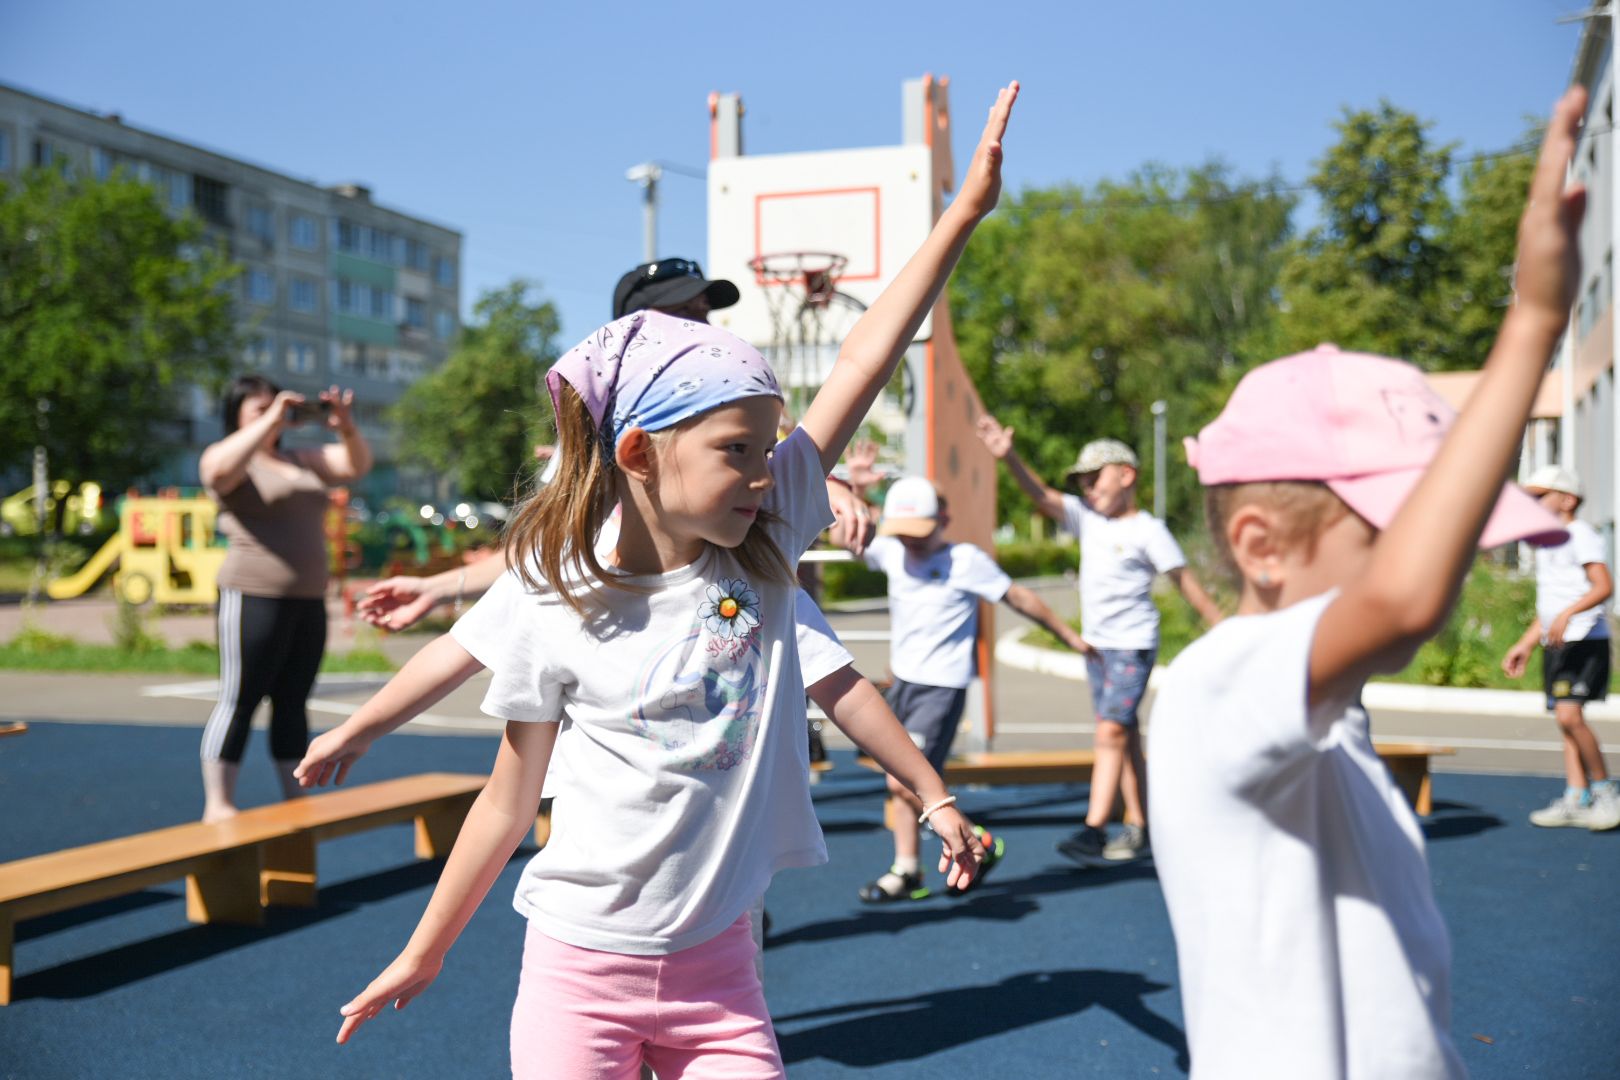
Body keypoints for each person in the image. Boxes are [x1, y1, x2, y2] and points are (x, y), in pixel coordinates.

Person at [321, 82, 1020, 1077]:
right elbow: (506, 804)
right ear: (642, 454)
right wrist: (424, 951)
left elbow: (863, 360)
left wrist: (962, 214)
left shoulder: (762, 535)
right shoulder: (564, 597)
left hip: (721, 981)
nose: (764, 470)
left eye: (770, 449)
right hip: (576, 979)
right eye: (740, 449)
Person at [1147, 88, 1584, 1078]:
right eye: (1397, 529)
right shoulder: (1219, 687)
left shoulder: (1331, 723)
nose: (1450, 556)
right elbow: (1400, 601)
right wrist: (1535, 320)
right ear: (1261, 545)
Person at [976, 418, 1222, 865]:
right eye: (1082, 483)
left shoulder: (1148, 530)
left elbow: (1184, 581)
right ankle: (1141, 825)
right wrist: (1007, 456)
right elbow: (1040, 496)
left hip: (1132, 645)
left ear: (1126, 475)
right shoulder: (1087, 520)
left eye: (1095, 479)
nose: (1088, 489)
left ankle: (1094, 828)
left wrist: (1221, 627)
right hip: (1097, 648)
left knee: (1109, 731)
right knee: (1123, 737)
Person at [857, 476, 1089, 902]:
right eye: (902, 535)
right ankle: (907, 868)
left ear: (942, 520)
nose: (909, 543)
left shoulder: (964, 561)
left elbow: (1018, 597)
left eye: (918, 534)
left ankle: (975, 839)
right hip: (904, 681)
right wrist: (851, 484)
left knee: (903, 780)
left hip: (941, 688)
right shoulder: (891, 551)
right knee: (902, 776)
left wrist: (1067, 636)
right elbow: (844, 529)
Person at [195, 374, 371, 822]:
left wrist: (346, 427)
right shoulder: (230, 457)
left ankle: (294, 799)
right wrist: (268, 420)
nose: (275, 415)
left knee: (293, 701)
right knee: (240, 698)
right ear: (237, 416)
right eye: (260, 408)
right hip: (252, 595)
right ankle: (219, 803)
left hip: (307, 600)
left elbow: (355, 466)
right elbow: (215, 473)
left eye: (279, 407)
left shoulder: (299, 459)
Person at [1502, 464, 1620, 830]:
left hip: (1586, 641)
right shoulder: (1547, 540)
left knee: (1570, 716)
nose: (1533, 503)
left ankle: (1604, 791)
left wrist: (1570, 614)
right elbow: (1549, 608)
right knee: (1565, 721)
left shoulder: (1580, 534)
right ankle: (1576, 795)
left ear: (1567, 500)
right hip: (1558, 644)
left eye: (1540, 496)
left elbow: (1603, 586)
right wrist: (1525, 643)